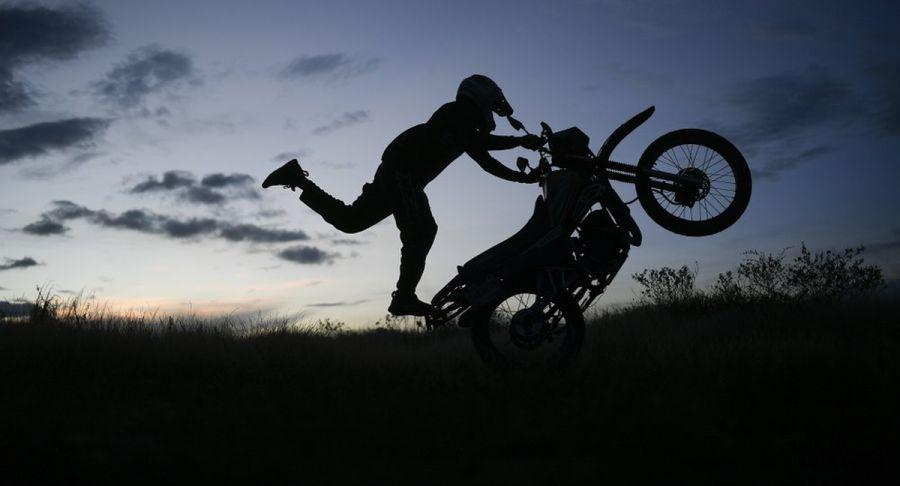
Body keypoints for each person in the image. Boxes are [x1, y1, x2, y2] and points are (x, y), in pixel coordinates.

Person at [262, 74, 544, 316]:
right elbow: (483, 149)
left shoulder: (462, 123)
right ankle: (404, 297)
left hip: (397, 172)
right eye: (492, 108)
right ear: (480, 97)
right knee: (421, 230)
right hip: (403, 175)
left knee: (351, 221)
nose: (492, 116)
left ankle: (296, 178)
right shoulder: (458, 113)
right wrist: (520, 148)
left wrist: (521, 170)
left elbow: (483, 155)